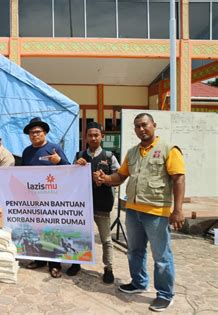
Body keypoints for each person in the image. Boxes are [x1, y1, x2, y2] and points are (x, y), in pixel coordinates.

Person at [94, 113, 185, 312]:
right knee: (135, 251)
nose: (141, 129)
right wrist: (105, 179)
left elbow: (178, 179)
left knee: (161, 256)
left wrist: (177, 210)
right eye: (137, 126)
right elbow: (120, 176)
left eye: (144, 125)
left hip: (156, 212)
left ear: (154, 125)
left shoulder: (169, 150)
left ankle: (165, 294)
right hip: (133, 211)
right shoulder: (133, 152)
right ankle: (138, 283)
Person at [67, 122, 119, 283]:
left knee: (105, 239)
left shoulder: (110, 157)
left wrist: (105, 180)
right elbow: (70, 178)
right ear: (85, 138)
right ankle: (77, 263)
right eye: (90, 135)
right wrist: (75, 167)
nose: (93, 138)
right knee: (79, 235)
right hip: (83, 205)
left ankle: (108, 268)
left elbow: (118, 179)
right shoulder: (79, 156)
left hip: (103, 204)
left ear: (102, 136)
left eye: (96, 135)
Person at [21, 117, 70, 278]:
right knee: (36, 230)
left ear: (45, 133)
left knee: (51, 231)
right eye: (31, 133)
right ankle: (40, 260)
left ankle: (54, 264)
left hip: (51, 199)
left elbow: (70, 170)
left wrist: (59, 161)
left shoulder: (54, 149)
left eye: (37, 132)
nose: (34, 135)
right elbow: (22, 175)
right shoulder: (27, 152)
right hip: (33, 198)